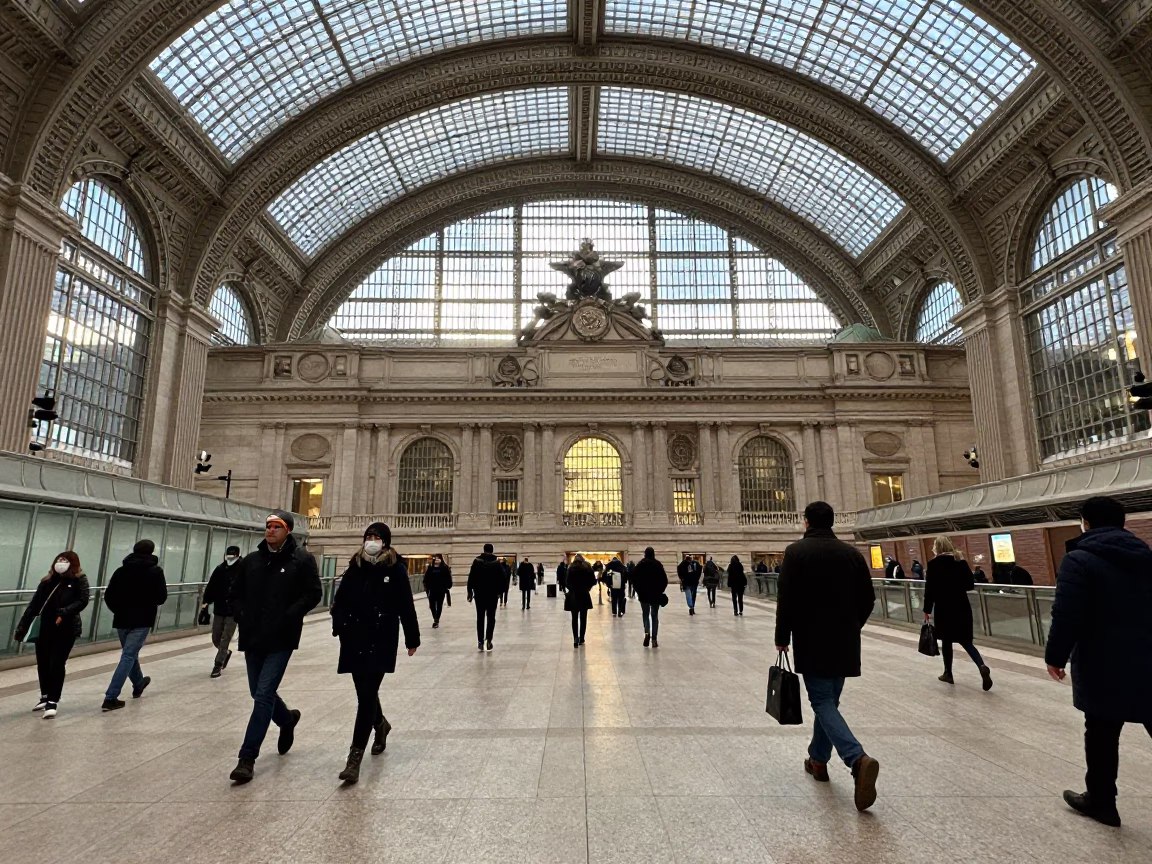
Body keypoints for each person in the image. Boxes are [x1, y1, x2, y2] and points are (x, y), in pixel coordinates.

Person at [1045, 496, 1152, 828]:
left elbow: (1067, 613)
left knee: (1102, 732)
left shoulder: (1080, 560)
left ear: (1085, 523)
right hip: (1149, 657)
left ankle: (1102, 802)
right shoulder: (1147, 556)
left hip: (1103, 659)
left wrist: (1055, 655)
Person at [774, 501, 880, 812]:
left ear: (806, 522)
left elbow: (787, 599)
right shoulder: (851, 553)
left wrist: (782, 638)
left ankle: (856, 759)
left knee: (821, 701)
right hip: (845, 640)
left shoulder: (796, 552)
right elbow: (868, 598)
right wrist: (852, 625)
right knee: (828, 701)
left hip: (812, 639)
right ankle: (818, 760)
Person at [227, 510, 322, 784]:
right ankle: (287, 720)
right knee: (257, 691)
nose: (270, 530)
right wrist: (241, 615)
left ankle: (247, 758)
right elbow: (235, 593)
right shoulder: (252, 561)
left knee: (264, 694)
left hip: (282, 637)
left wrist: (291, 615)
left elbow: (314, 593)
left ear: (287, 531)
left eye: (276, 526)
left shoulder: (302, 560)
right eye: (268, 526)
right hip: (253, 636)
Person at [330, 522, 420, 783]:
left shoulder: (396, 570)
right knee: (365, 694)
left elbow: (406, 606)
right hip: (355, 638)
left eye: (377, 537)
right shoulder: (354, 568)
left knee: (366, 696)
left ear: (386, 542)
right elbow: (340, 602)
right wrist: (340, 626)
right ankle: (380, 725)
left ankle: (354, 758)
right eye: (369, 536)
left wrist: (412, 639)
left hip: (381, 638)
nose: (372, 540)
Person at [15, 551, 90, 719]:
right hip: (44, 627)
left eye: (65, 560)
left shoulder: (78, 580)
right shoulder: (47, 581)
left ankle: (53, 700)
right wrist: (23, 627)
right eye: (59, 560)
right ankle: (45, 695)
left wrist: (64, 612)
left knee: (56, 663)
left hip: (65, 628)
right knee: (43, 662)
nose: (61, 563)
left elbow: (83, 600)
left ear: (73, 563)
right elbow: (34, 605)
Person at [101, 539, 168, 711]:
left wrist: (118, 609)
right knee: (128, 655)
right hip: (143, 619)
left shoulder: (121, 571)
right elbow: (161, 597)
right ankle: (111, 696)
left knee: (129, 654)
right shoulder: (155, 571)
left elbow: (109, 595)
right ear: (151, 552)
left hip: (122, 619)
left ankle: (138, 682)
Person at [923, 536, 992, 690]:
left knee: (947, 641)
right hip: (962, 606)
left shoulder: (933, 564)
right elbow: (970, 585)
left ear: (937, 548)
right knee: (966, 641)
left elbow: (930, 590)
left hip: (943, 607)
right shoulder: (960, 562)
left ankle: (948, 673)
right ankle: (981, 665)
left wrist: (927, 610)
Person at [202, 545, 242, 678]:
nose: (230, 558)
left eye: (232, 555)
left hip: (233, 610)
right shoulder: (220, 569)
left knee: (226, 638)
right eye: (228, 555)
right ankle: (225, 653)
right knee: (216, 638)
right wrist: (206, 601)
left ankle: (217, 664)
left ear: (237, 555)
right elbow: (212, 586)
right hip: (219, 608)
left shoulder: (243, 569)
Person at [467, 543, 503, 651]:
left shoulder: (476, 561)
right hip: (492, 594)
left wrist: (470, 592)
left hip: (479, 593)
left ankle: (480, 641)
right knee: (491, 617)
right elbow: (502, 578)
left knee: (480, 617)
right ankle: (489, 640)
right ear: (492, 550)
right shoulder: (496, 563)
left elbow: (471, 577)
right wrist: (500, 593)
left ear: (483, 550)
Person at [632, 547, 667, 648]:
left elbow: (634, 580)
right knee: (654, 616)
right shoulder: (658, 565)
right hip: (655, 594)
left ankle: (647, 633)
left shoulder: (640, 565)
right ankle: (654, 639)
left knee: (645, 614)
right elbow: (664, 580)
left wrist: (638, 591)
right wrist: (660, 590)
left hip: (644, 595)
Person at [565, 554, 595, 647]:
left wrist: (571, 589)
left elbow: (567, 582)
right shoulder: (587, 568)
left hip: (573, 596)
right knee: (583, 618)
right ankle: (582, 638)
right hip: (584, 595)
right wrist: (587, 588)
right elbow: (593, 581)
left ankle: (575, 638)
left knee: (574, 618)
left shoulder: (570, 568)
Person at [422, 553, 452, 628]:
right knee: (432, 605)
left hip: (441, 590)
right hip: (432, 589)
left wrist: (448, 586)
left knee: (439, 605)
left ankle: (436, 620)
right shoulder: (430, 567)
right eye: (435, 558)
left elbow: (448, 578)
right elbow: (426, 577)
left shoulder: (444, 567)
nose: (436, 560)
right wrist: (426, 585)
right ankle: (435, 617)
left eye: (438, 558)